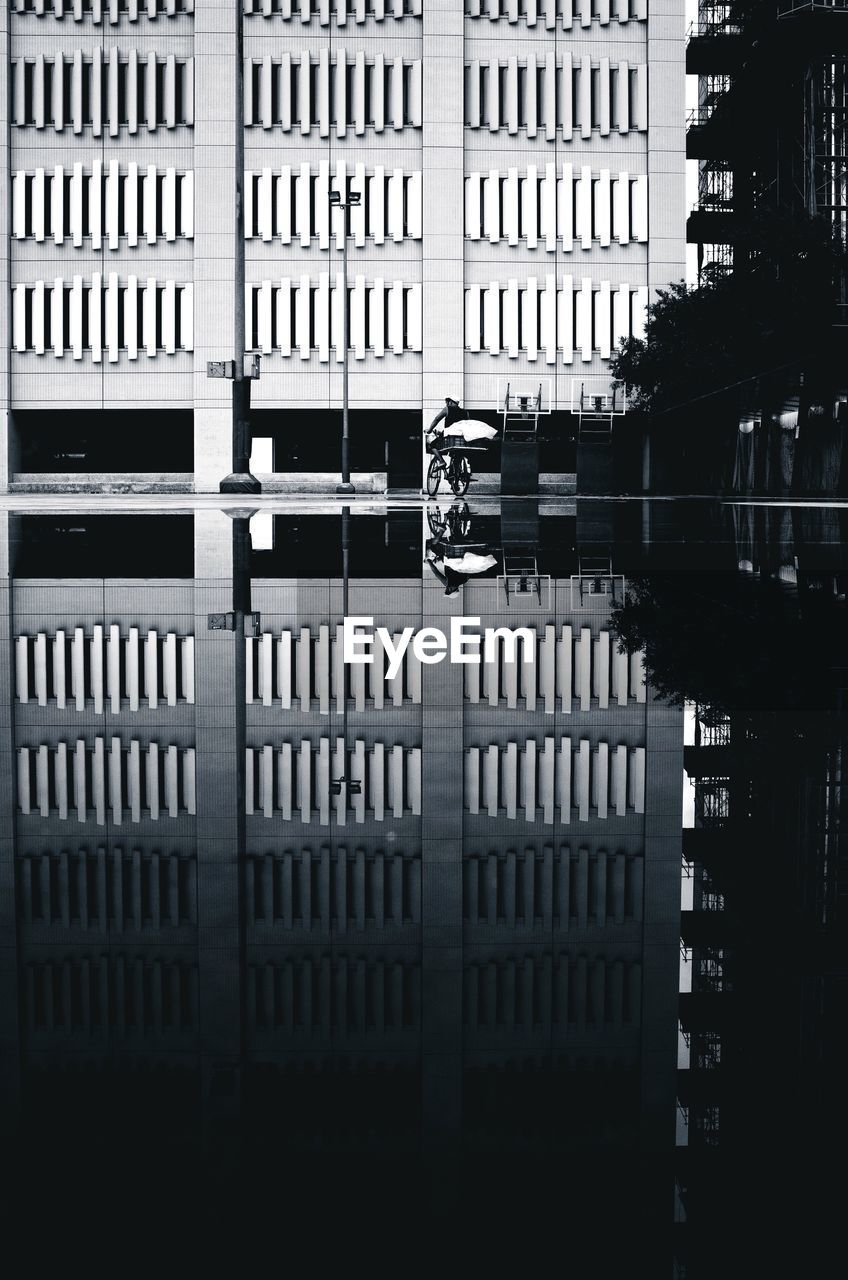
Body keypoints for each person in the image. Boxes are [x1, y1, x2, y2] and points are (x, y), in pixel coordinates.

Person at [425, 397, 468, 468]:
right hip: (461, 438)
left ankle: (442, 461)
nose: (446, 404)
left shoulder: (447, 409)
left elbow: (436, 419)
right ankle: (457, 472)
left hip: (449, 436)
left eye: (447, 402)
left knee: (432, 445)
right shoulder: (465, 412)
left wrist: (430, 430)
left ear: (450, 402)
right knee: (458, 453)